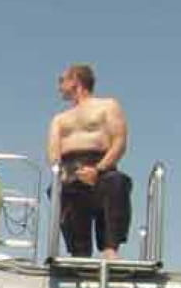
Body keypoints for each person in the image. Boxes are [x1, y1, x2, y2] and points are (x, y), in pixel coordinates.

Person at [46, 64, 132, 259]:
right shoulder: (59, 119)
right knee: (59, 190)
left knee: (116, 182)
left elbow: (119, 142)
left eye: (62, 80)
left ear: (75, 80)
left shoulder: (107, 105)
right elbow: (53, 152)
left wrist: (98, 170)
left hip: (100, 166)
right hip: (69, 169)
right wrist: (62, 173)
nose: (59, 86)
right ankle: (79, 253)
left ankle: (110, 249)